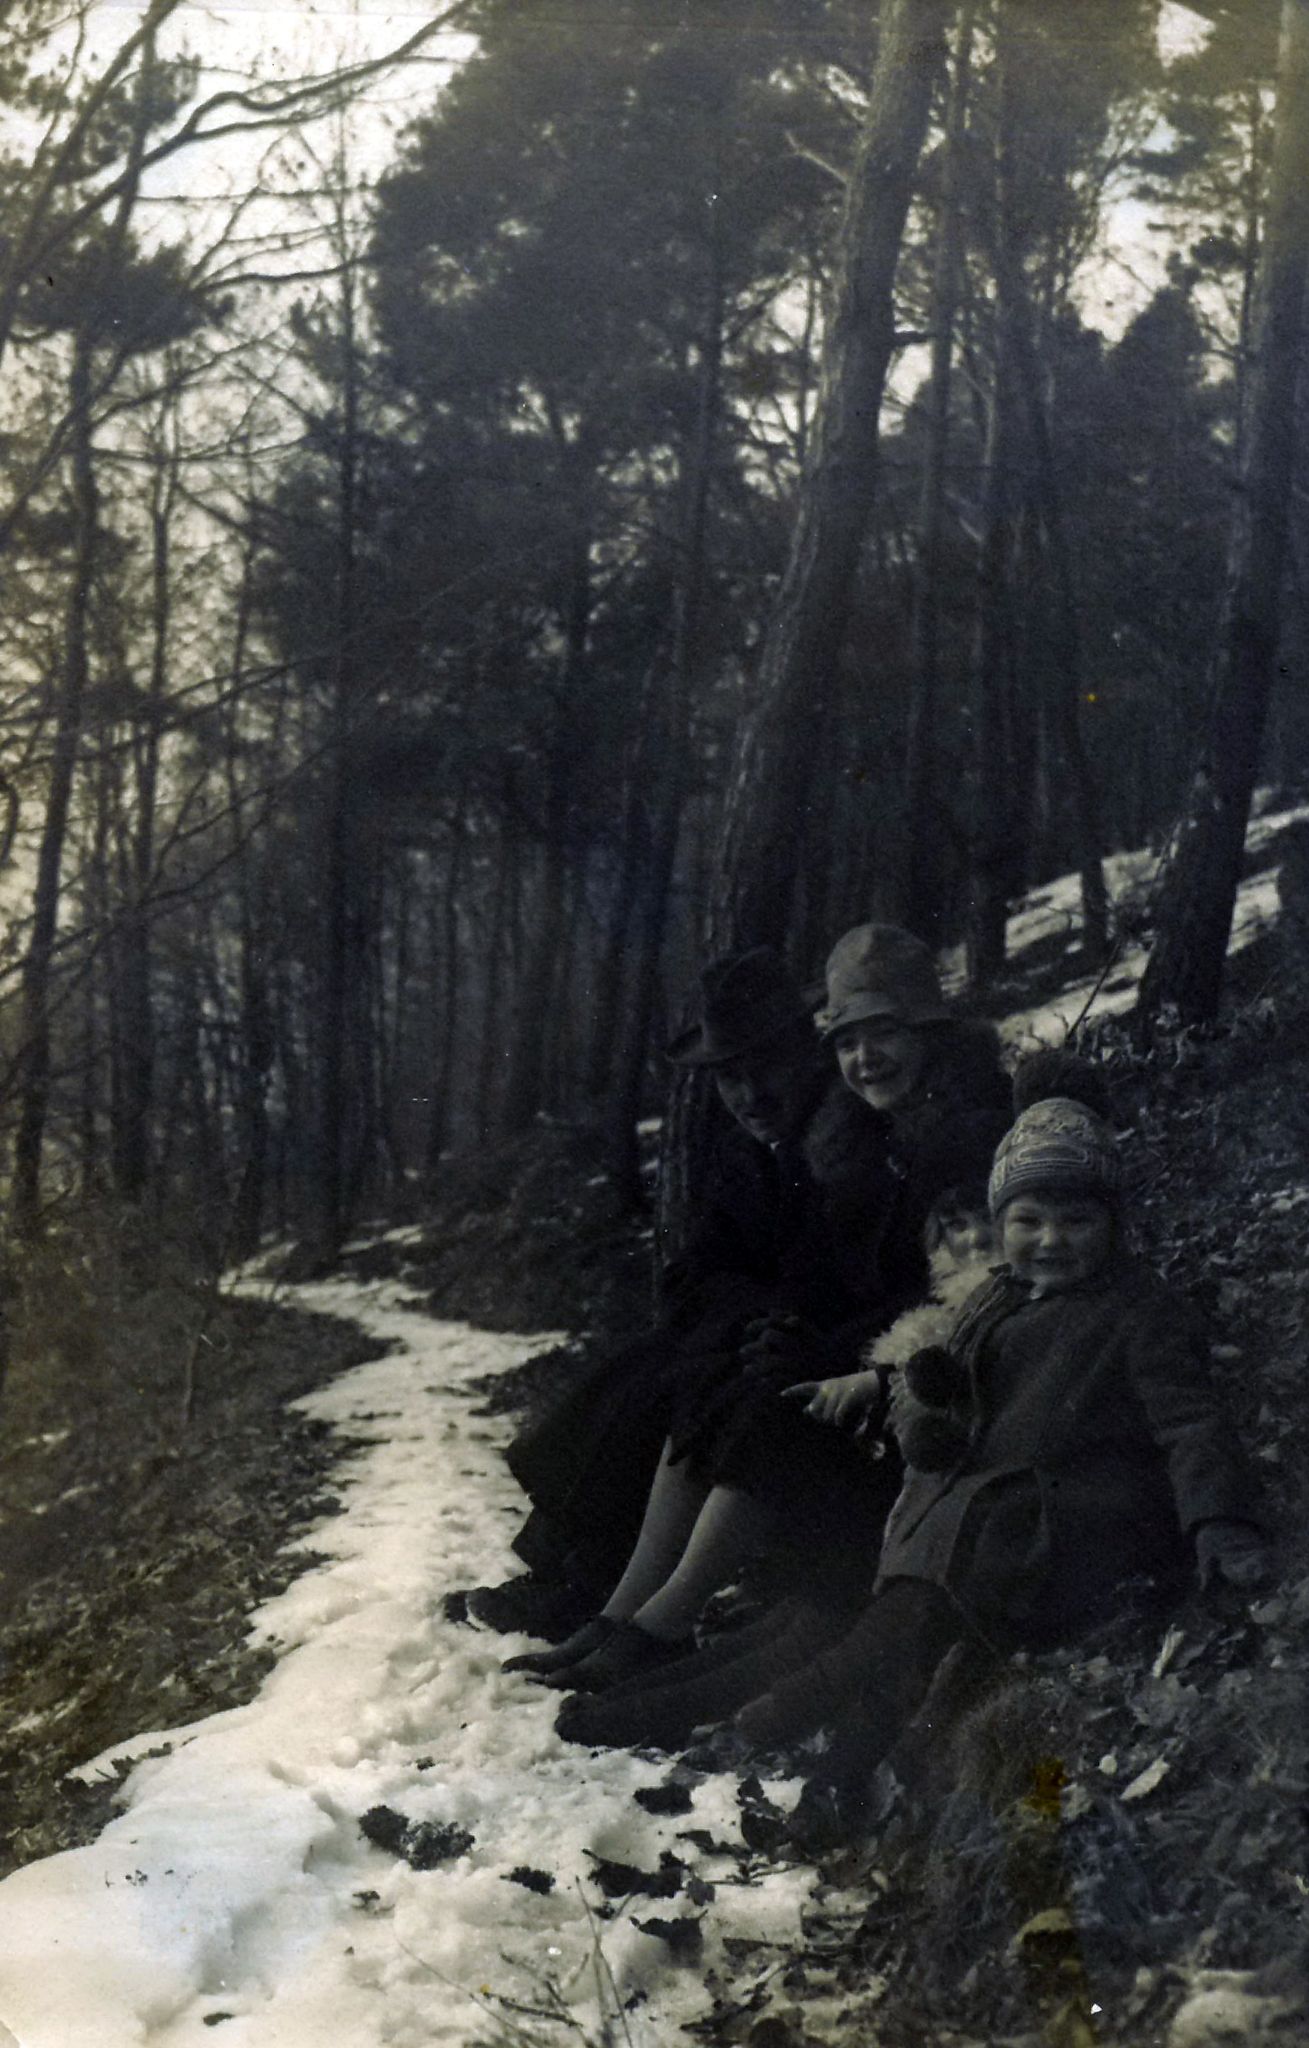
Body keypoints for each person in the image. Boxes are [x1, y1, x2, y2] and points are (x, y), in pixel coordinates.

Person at [719, 1070, 1273, 1849]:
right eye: (1028, 1219)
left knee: (916, 1609)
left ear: (1113, 1225)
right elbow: (942, 1398)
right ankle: (831, 1787)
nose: (1051, 1240)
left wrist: (1218, 1522)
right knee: (910, 1637)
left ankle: (817, 1688)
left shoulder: (1138, 1311)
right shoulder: (993, 1297)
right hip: (983, 1521)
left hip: (1076, 1521)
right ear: (999, 1220)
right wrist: (928, 1403)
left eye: (1076, 1220)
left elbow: (1190, 1422)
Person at [537, 924, 1012, 1716]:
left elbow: (958, 1299)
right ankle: (624, 1613)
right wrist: (791, 1332)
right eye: (849, 1043)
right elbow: (827, 1272)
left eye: (885, 1035)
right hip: (872, 1360)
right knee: (718, 1384)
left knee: (766, 1407)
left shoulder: (963, 1135)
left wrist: (820, 1348)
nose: (866, 1061)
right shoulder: (874, 1129)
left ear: (931, 1033)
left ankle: (661, 1622)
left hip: (938, 1393)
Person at [464, 944, 918, 1639]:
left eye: (764, 1068)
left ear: (807, 1052)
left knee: (684, 1387)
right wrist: (751, 1316)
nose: (749, 1096)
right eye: (729, 1078)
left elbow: (888, 1284)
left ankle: (608, 1598)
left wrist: (785, 1328)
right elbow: (693, 1273)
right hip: (761, 1341)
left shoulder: (848, 1142)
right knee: (645, 1374)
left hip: (833, 1360)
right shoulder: (745, 1153)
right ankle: (573, 1575)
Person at [548, 1175, 999, 1751]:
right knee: (734, 1408)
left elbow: (958, 1387)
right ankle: (637, 1636)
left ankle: (658, 1654)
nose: (975, 1241)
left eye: (990, 1222)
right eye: (958, 1227)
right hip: (901, 1478)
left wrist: (880, 1384)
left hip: (934, 1507)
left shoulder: (996, 1310)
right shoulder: (965, 1301)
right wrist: (869, 1381)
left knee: (813, 1603)